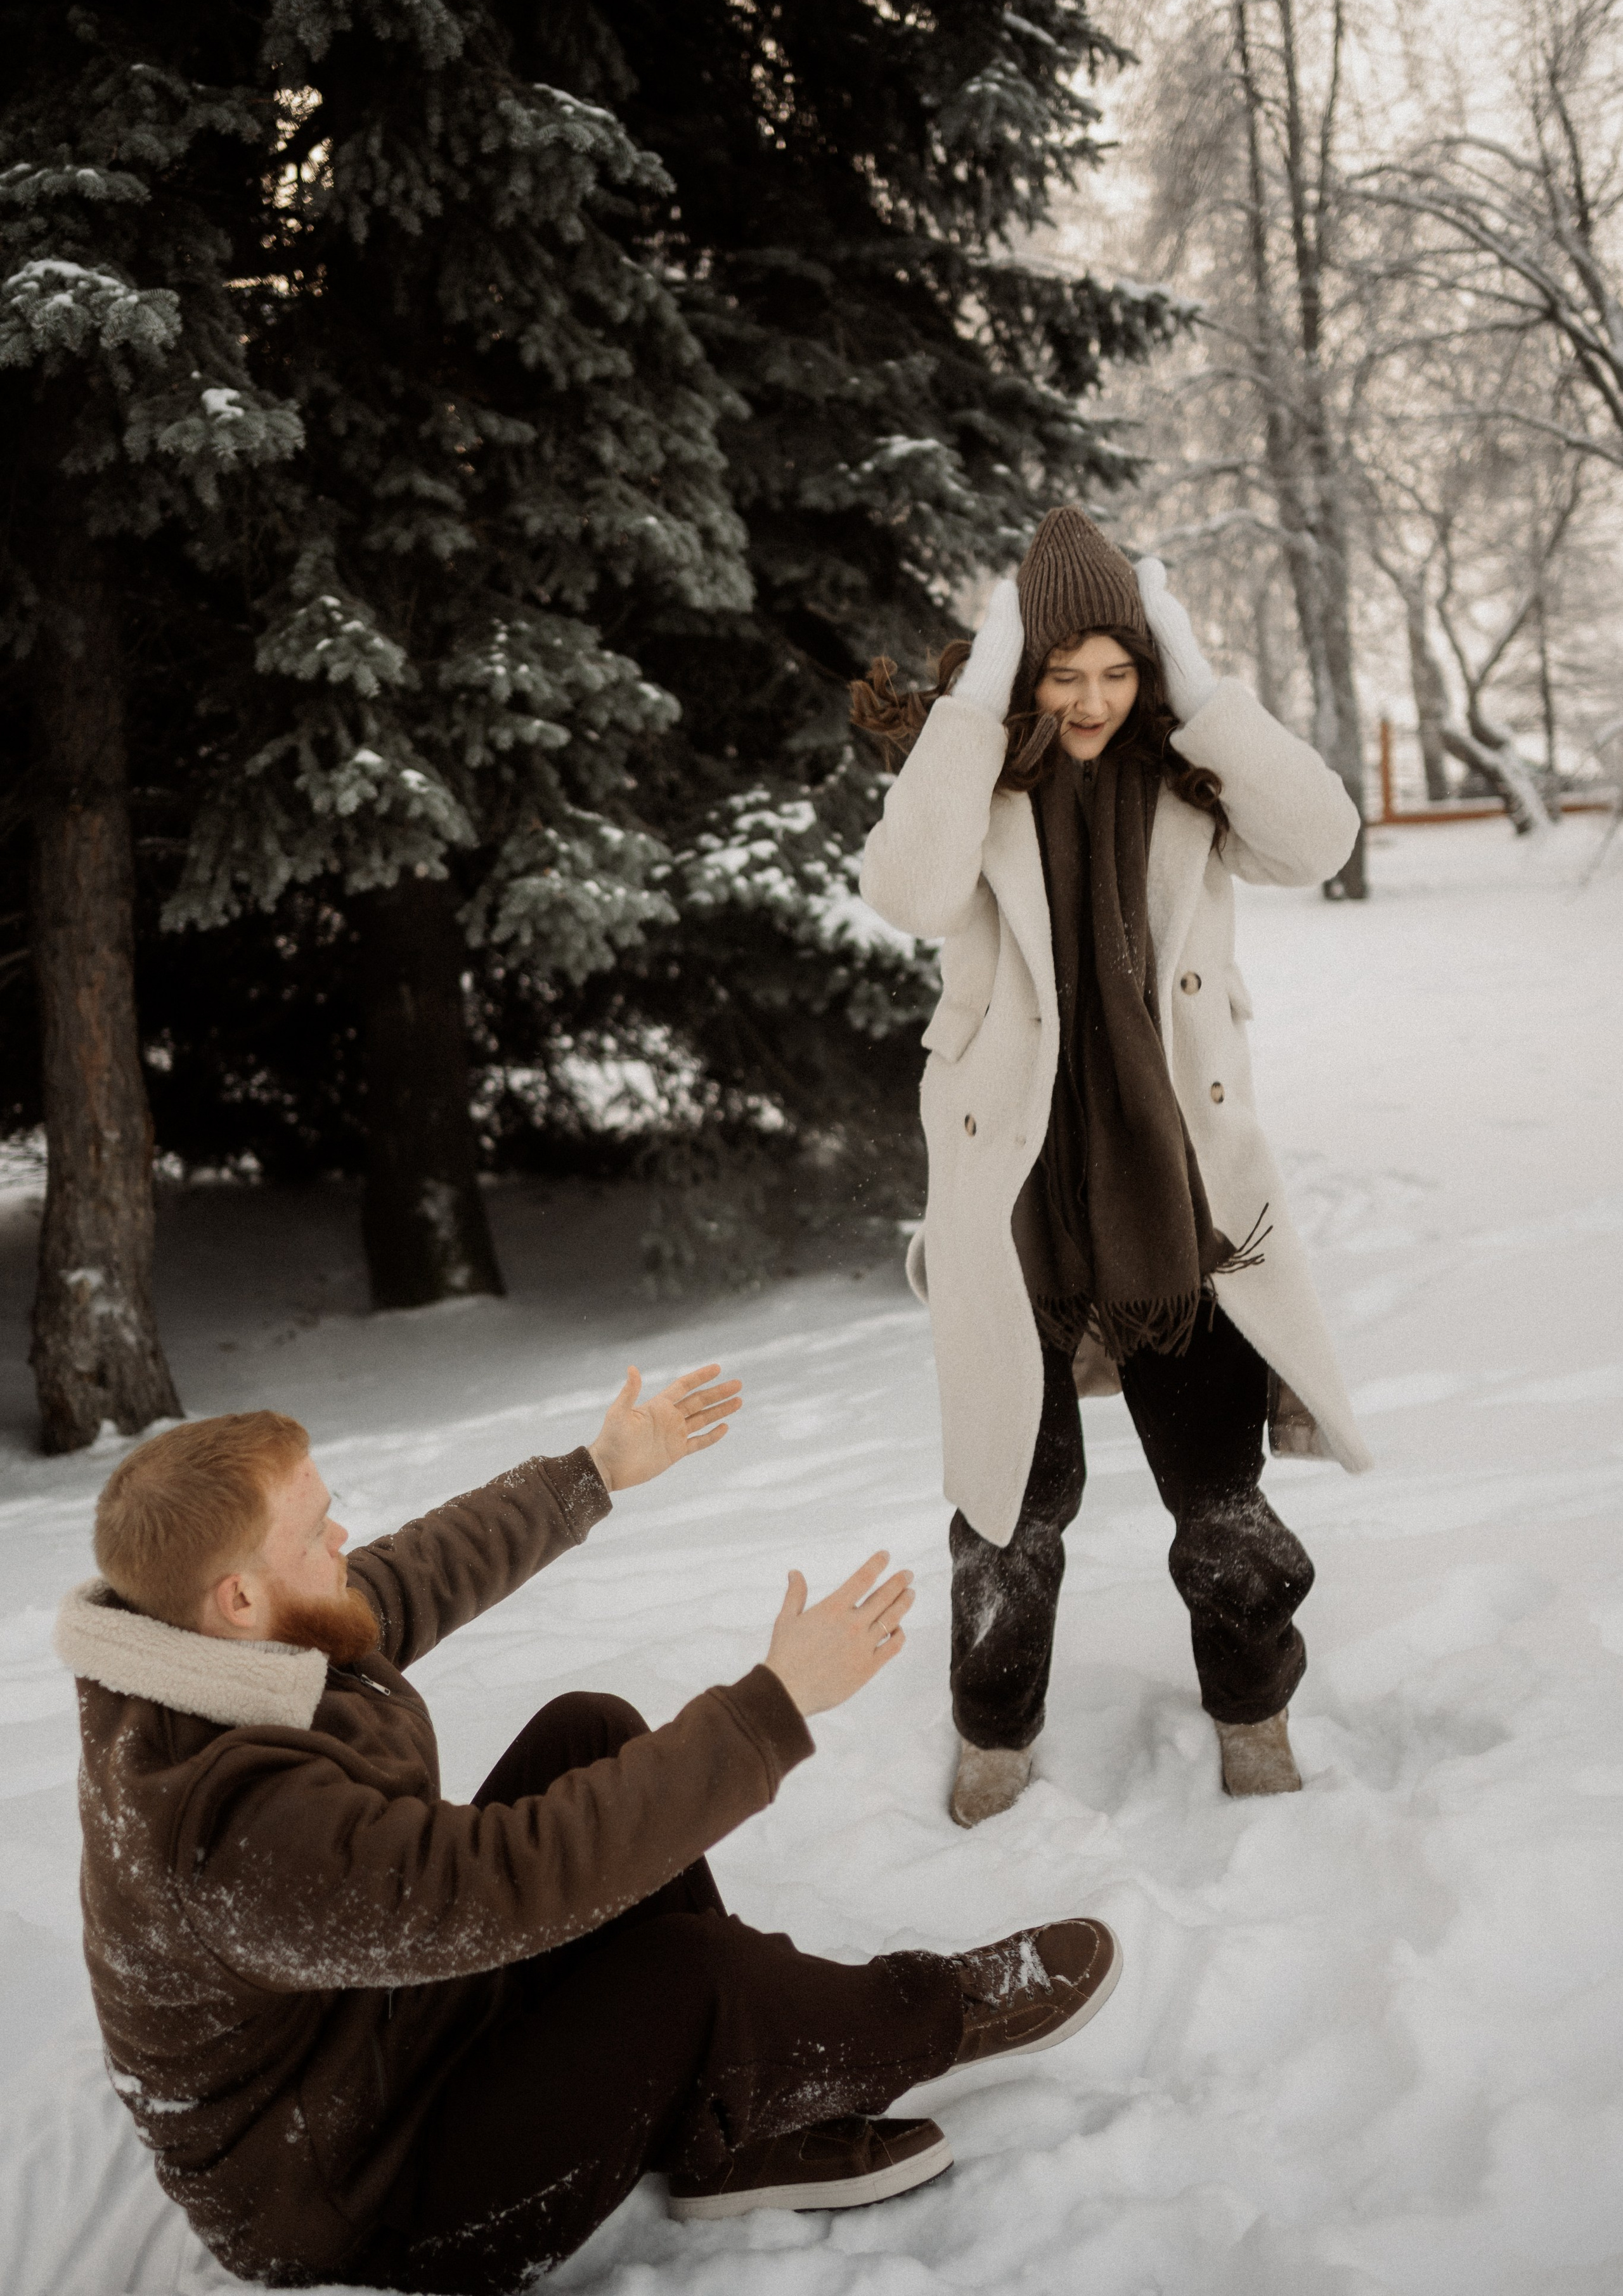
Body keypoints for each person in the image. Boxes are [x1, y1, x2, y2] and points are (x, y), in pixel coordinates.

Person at [55, 1359, 1122, 2295]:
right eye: (316, 1530)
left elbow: (409, 1575)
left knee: (591, 1733)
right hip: (361, 2189)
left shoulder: (214, 1641)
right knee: (685, 1975)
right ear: (238, 1599)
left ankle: (724, 2119)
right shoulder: (236, 1838)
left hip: (378, 2038)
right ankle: (932, 2017)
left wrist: (596, 1470)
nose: (345, 1539)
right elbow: (505, 1884)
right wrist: (773, 1707)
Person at [853, 507, 1373, 1828]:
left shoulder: (1193, 782)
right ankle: (991, 1736)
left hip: (1176, 1208)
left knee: (1221, 1504)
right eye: (1060, 674)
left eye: (1116, 671)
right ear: (1023, 676)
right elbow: (905, 892)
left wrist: (1195, 675)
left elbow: (1319, 840)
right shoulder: (976, 786)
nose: (1088, 702)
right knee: (1008, 1519)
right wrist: (973, 694)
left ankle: (1252, 1712)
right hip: (1015, 1204)